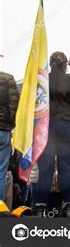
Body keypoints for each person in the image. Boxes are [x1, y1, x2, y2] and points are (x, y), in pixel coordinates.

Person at [35, 52, 70, 218]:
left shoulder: (43, 80)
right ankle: (69, 207)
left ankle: (40, 208)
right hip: (69, 125)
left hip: (47, 126)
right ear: (64, 65)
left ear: (51, 63)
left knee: (45, 169)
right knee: (66, 168)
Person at [0, 69, 19, 203]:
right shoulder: (8, 79)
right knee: (1, 171)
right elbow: (14, 105)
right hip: (3, 131)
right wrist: (10, 125)